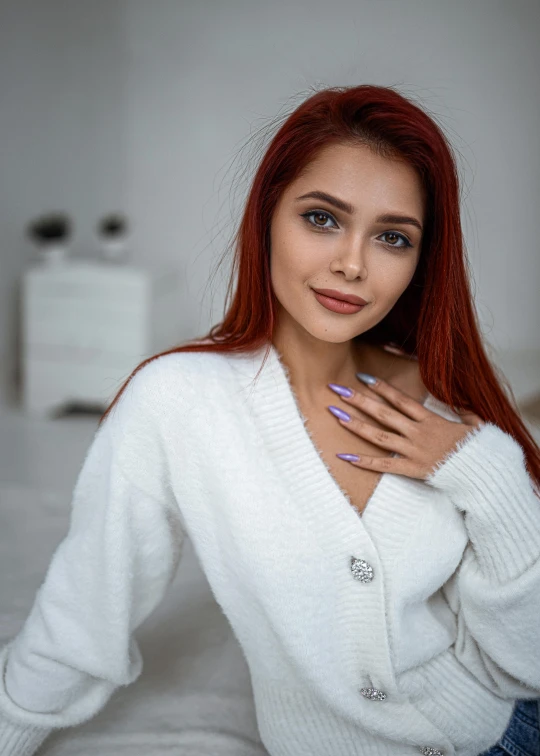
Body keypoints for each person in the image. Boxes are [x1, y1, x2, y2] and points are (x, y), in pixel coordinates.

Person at [1, 84, 540, 756]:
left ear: (418, 262)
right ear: (267, 218)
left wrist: (488, 473)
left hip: (510, 728)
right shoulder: (177, 401)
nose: (351, 262)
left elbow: (523, 665)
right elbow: (85, 607)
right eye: (321, 219)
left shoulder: (435, 397)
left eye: (392, 237)